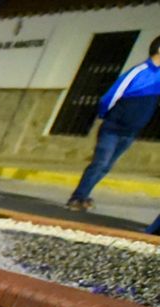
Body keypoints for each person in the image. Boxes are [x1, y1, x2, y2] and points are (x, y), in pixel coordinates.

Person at [67, 35, 159, 211]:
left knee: (106, 166)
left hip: (131, 131)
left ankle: (84, 195)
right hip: (113, 128)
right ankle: (77, 197)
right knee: (100, 163)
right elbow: (111, 95)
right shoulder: (139, 71)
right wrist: (105, 115)